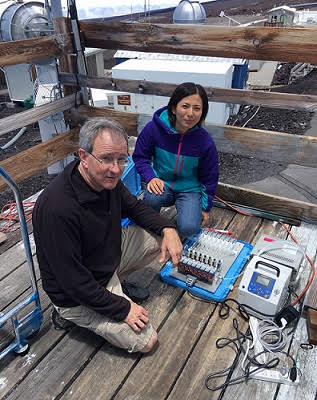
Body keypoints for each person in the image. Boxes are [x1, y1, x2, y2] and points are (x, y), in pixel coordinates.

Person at [32, 117, 183, 354]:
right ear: (83, 156)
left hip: (102, 260)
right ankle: (68, 316)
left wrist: (168, 228)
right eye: (106, 159)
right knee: (146, 342)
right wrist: (122, 308)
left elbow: (134, 207)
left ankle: (116, 285)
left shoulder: (106, 180)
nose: (116, 169)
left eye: (121, 159)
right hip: (75, 293)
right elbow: (73, 281)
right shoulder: (57, 207)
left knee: (160, 240)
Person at [132, 82, 219, 238]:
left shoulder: (205, 142)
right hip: (162, 184)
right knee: (151, 198)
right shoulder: (153, 129)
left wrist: (205, 207)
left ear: (202, 113)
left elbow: (210, 177)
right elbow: (140, 157)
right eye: (185, 106)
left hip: (189, 190)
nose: (190, 113)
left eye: (197, 108)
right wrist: (151, 177)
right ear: (173, 108)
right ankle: (151, 228)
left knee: (189, 229)